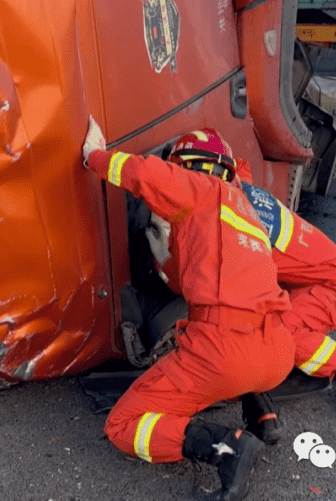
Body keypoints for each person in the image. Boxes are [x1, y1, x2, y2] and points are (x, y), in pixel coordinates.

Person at [82, 119, 294, 501]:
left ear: (186, 168)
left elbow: (145, 173)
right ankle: (263, 414)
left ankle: (225, 447)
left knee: (123, 424)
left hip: (226, 353)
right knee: (234, 369)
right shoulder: (245, 210)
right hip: (278, 350)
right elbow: (189, 279)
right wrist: (166, 256)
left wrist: (96, 157)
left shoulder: (199, 190)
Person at [229, 159, 336, 437]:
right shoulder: (239, 187)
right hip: (316, 282)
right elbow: (241, 162)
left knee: (281, 329)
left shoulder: (238, 226)